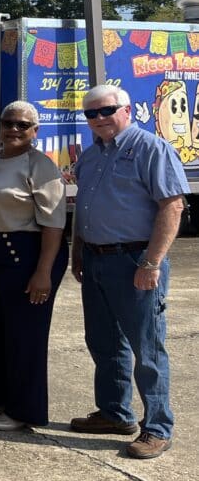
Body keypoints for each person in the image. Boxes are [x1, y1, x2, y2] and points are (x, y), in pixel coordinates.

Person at [70, 85, 187, 459]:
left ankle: (158, 427)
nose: (99, 118)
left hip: (135, 260)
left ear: (127, 110)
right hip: (96, 259)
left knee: (147, 348)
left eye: (106, 110)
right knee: (104, 343)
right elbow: (84, 208)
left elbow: (172, 206)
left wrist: (152, 262)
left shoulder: (152, 149)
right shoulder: (91, 156)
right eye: (91, 113)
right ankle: (115, 413)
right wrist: (77, 252)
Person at [0, 101, 67, 431]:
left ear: (35, 131)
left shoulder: (41, 166)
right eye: (8, 122)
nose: (13, 129)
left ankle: (24, 411)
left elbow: (53, 224)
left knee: (24, 336)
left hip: (24, 255)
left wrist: (43, 272)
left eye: (22, 125)